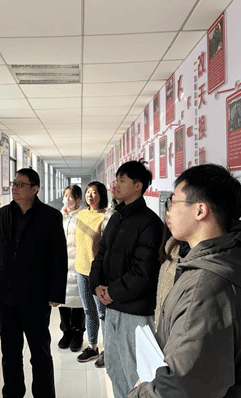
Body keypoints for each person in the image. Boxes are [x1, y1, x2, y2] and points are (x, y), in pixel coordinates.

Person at [128, 164, 241, 398]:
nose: (168, 211)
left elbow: (179, 387)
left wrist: (139, 393)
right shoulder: (235, 256)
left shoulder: (205, 287)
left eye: (173, 201)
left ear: (200, 210)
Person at [0, 168, 67, 398]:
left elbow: (59, 257)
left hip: (36, 297)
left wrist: (56, 292)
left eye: (20, 184)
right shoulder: (3, 214)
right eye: (13, 184)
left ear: (34, 189)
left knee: (40, 353)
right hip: (5, 297)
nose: (14, 188)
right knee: (10, 353)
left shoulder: (50, 216)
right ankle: (13, 394)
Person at [90, 161, 163, 398]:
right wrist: (96, 284)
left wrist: (112, 291)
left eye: (122, 180)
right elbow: (101, 252)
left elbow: (144, 273)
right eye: (116, 180)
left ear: (138, 186)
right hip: (112, 306)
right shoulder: (116, 217)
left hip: (134, 312)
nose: (116, 185)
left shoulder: (150, 223)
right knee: (114, 366)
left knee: (135, 373)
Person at [73, 181, 108, 366]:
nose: (90, 195)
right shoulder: (81, 214)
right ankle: (92, 347)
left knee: (102, 312)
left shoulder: (106, 217)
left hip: (98, 272)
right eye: (88, 192)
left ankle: (108, 351)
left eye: (94, 192)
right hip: (81, 269)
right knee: (88, 310)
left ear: (101, 195)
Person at [57, 185, 86, 352]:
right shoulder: (59, 216)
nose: (67, 200)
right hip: (61, 264)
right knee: (62, 301)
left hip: (77, 264)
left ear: (78, 199)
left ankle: (77, 333)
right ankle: (66, 332)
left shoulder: (83, 217)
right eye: (65, 196)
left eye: (71, 197)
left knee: (78, 302)